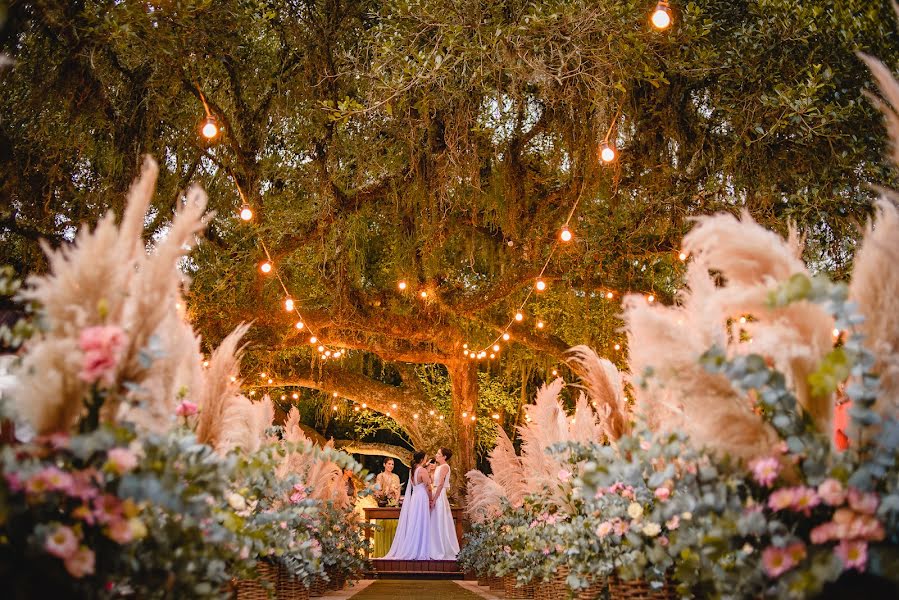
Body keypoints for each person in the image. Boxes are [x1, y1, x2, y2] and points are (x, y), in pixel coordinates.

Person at [383, 451, 433, 560]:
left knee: (414, 522)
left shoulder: (412, 471)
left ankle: (413, 546)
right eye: (425, 458)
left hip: (415, 498)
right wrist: (431, 499)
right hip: (422, 498)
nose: (426, 460)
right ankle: (421, 549)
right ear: (422, 459)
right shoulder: (423, 470)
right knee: (421, 521)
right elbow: (428, 486)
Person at [428, 447, 460, 560]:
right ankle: (433, 547)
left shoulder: (445, 467)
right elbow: (433, 482)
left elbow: (441, 484)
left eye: (438, 453)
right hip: (435, 491)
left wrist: (434, 499)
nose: (436, 455)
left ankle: (441, 548)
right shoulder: (438, 467)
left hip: (439, 495)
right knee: (433, 521)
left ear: (444, 457)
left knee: (439, 520)